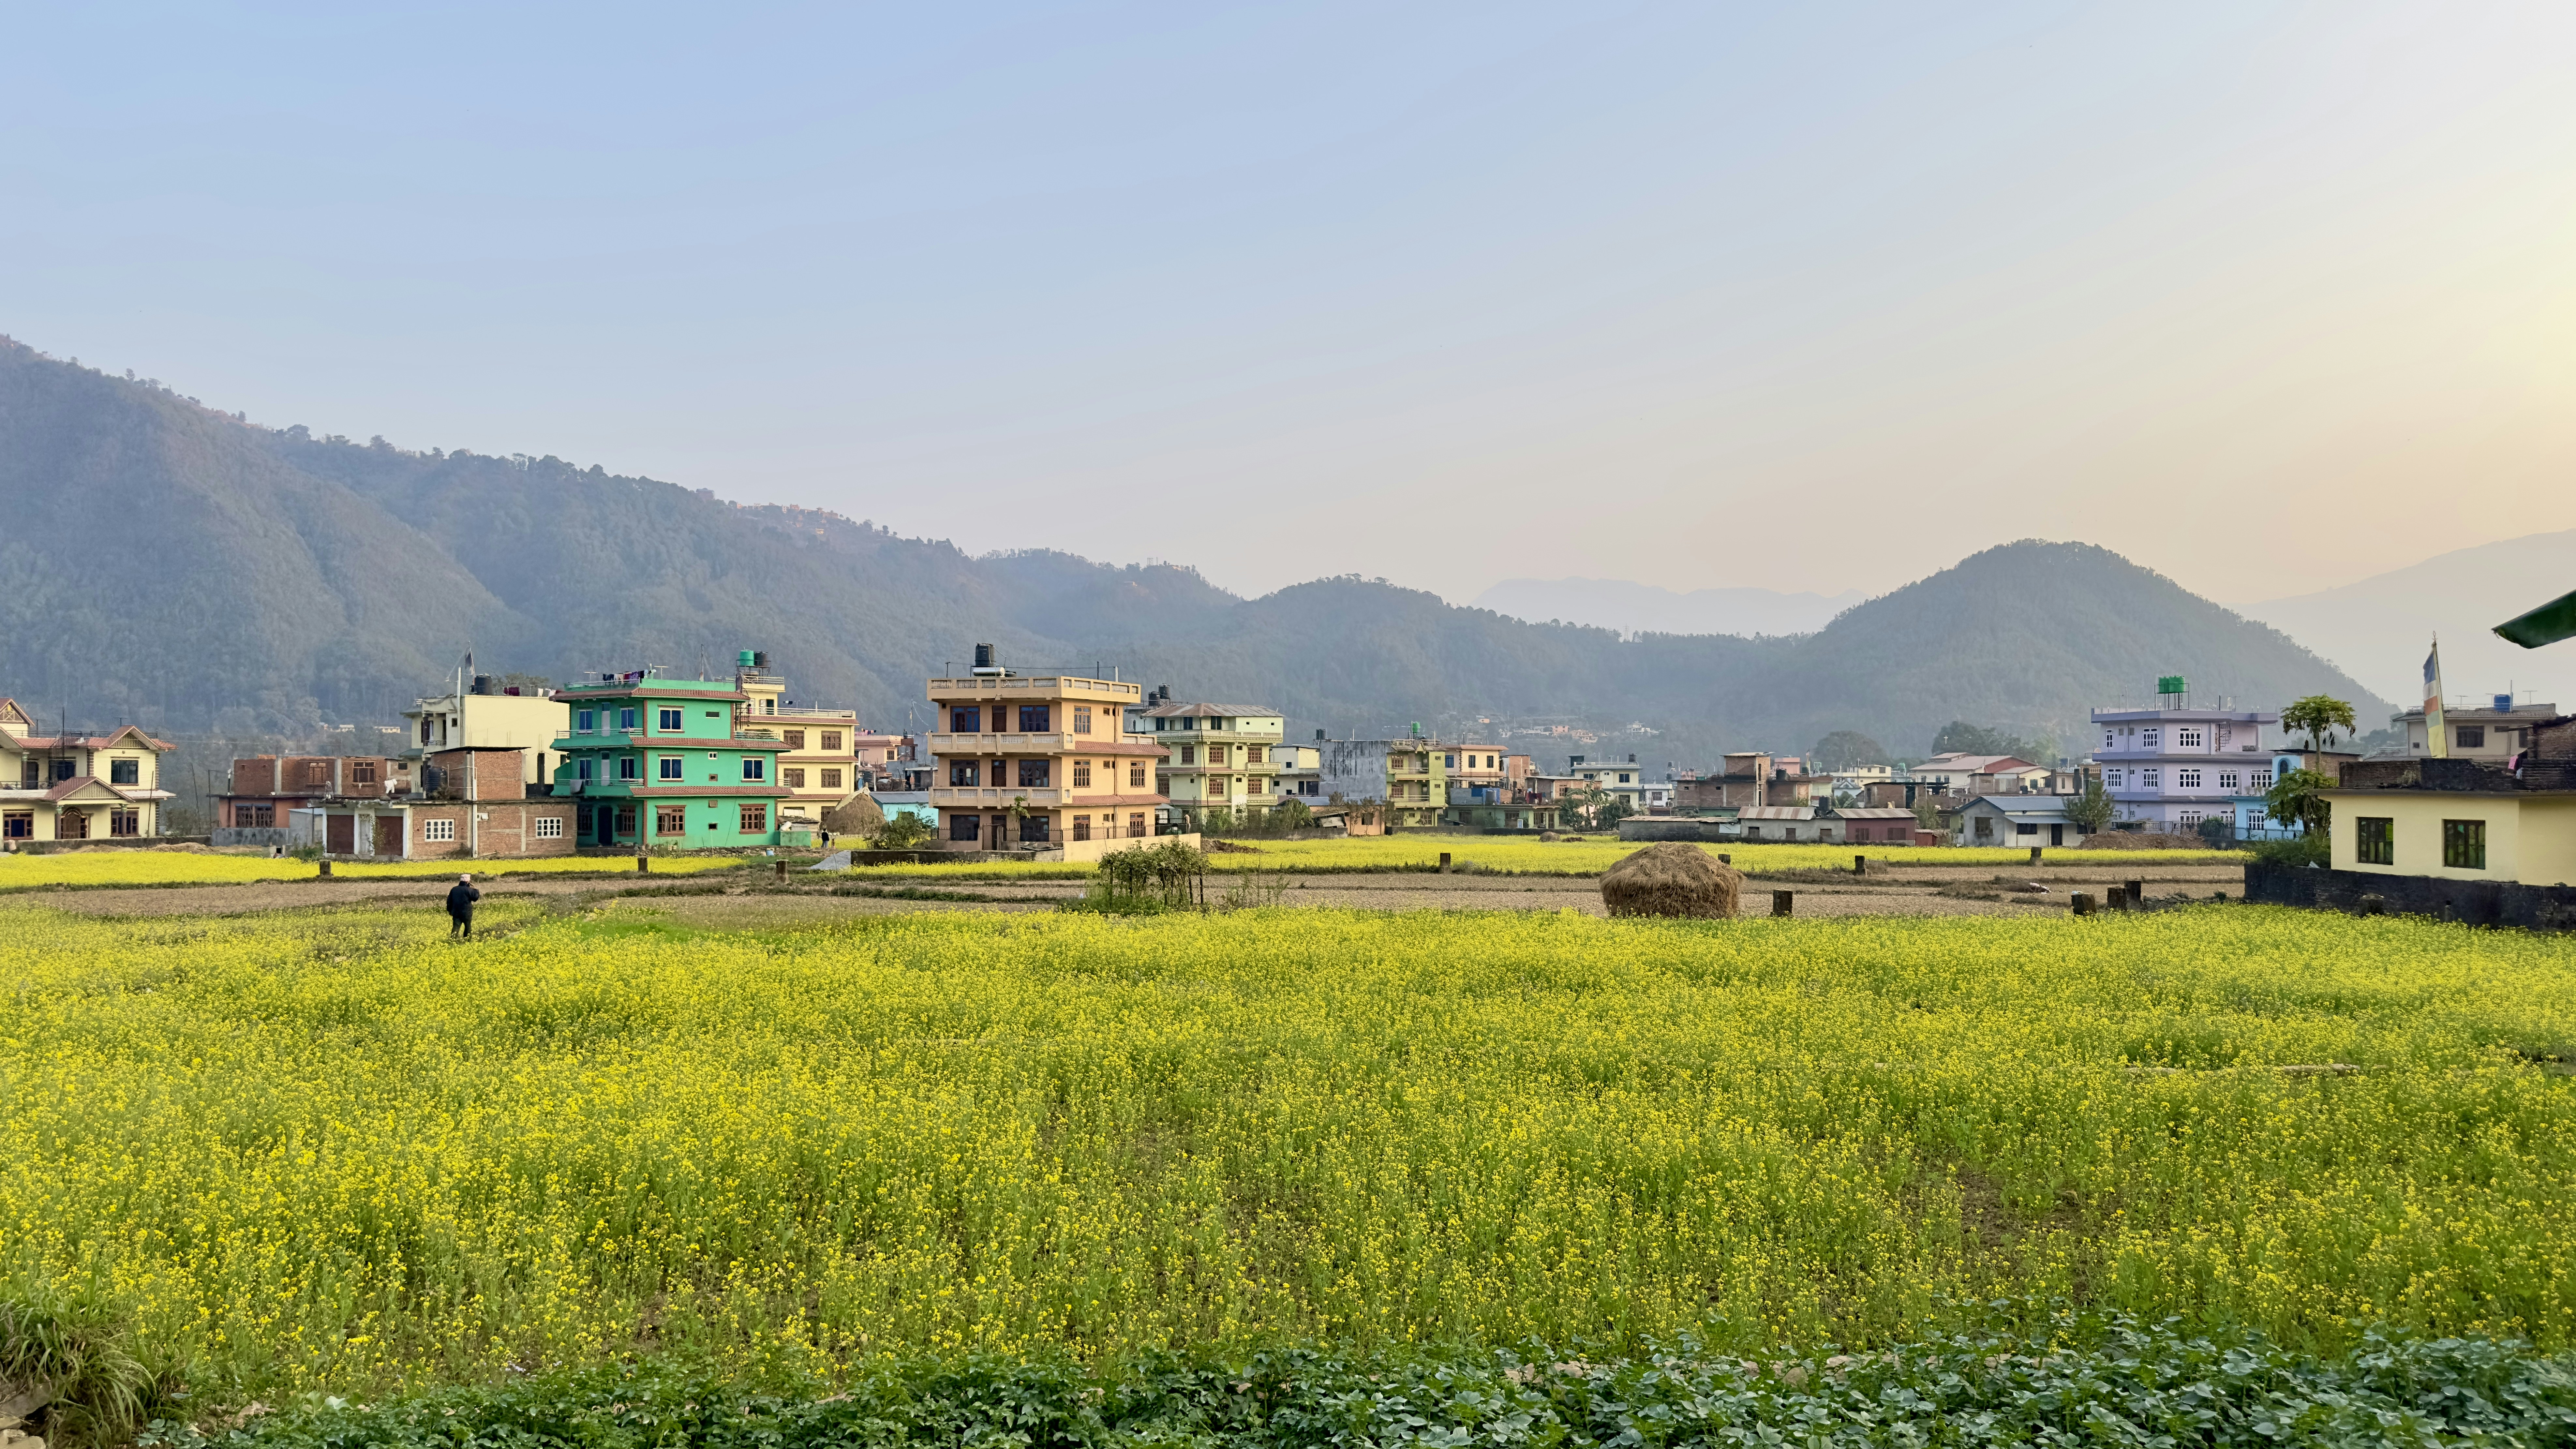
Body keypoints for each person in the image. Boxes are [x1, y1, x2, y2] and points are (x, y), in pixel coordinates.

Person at [446, 873, 480, 939]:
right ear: (468, 882)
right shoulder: (469, 890)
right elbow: (475, 898)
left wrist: (450, 910)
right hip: (467, 913)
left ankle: (452, 940)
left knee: (456, 928)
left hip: (456, 912)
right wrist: (475, 890)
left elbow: (449, 901)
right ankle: (467, 941)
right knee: (468, 928)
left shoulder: (454, 889)